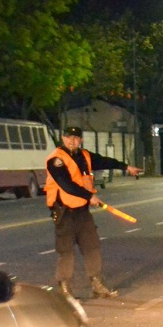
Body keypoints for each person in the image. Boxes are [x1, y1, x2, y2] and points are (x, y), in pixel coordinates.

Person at [46, 126, 143, 299]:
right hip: (64, 212)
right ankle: (65, 289)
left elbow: (106, 161)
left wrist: (126, 167)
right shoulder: (56, 160)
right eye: (69, 138)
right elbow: (66, 184)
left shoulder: (85, 156)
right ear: (63, 138)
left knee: (92, 247)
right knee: (66, 251)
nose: (72, 141)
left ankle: (97, 285)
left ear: (80, 140)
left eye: (76, 138)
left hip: (83, 212)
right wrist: (89, 196)